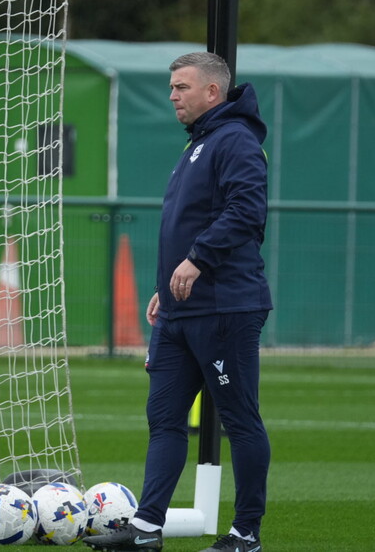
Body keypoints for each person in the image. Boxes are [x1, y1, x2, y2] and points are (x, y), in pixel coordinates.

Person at [84, 52, 272, 552]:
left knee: (240, 419)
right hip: (179, 311)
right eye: (171, 87)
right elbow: (189, 222)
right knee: (164, 420)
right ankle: (146, 529)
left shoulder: (235, 140)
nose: (172, 95)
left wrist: (197, 261)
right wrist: (165, 285)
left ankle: (246, 534)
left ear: (213, 92)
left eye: (182, 87)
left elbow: (247, 212)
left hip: (224, 309)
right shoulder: (199, 143)